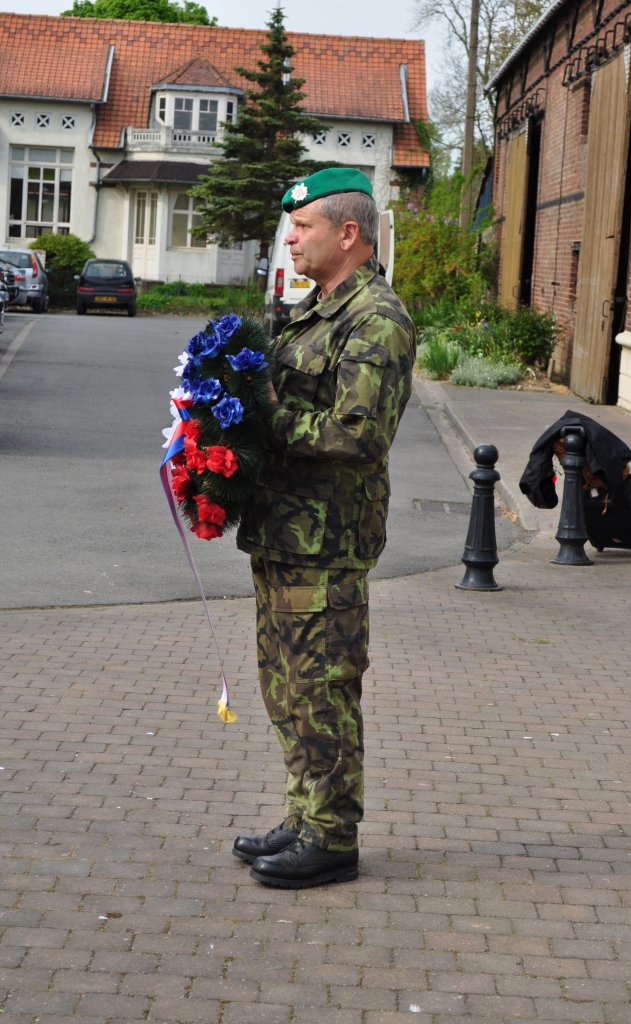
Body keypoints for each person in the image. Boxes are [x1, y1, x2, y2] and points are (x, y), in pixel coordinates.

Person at [233, 167, 416, 888]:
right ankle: (304, 813)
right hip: (284, 534)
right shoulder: (314, 310)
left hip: (327, 544)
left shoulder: (376, 320)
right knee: (284, 686)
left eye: (302, 226)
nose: (291, 237)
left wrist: (265, 412)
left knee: (323, 689)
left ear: (348, 234)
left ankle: (334, 836)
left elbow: (356, 433)